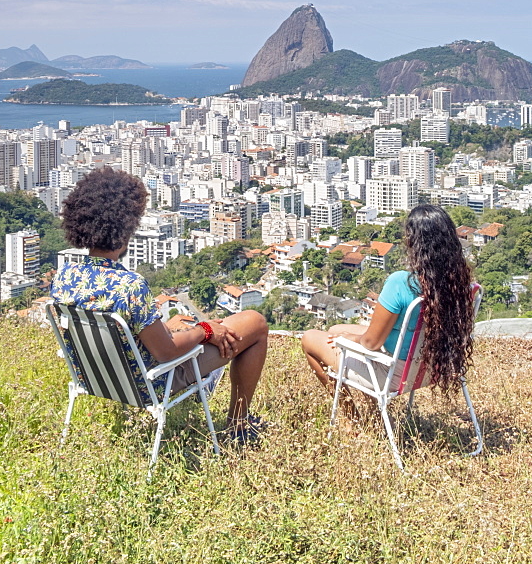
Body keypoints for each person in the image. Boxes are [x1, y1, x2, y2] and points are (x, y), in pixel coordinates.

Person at [51, 167, 268, 442]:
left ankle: (221, 399)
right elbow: (166, 353)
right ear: (126, 227)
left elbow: (123, 331)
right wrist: (205, 330)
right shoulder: (129, 286)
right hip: (149, 384)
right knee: (255, 324)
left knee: (192, 327)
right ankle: (237, 426)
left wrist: (171, 329)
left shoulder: (65, 277)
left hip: (98, 379)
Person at [301, 204, 475, 411]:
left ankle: (352, 418)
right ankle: (374, 412)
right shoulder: (460, 284)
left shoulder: (401, 283)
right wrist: (346, 334)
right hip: (435, 368)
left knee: (310, 338)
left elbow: (372, 343)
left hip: (396, 375)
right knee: (334, 330)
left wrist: (353, 338)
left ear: (413, 242)